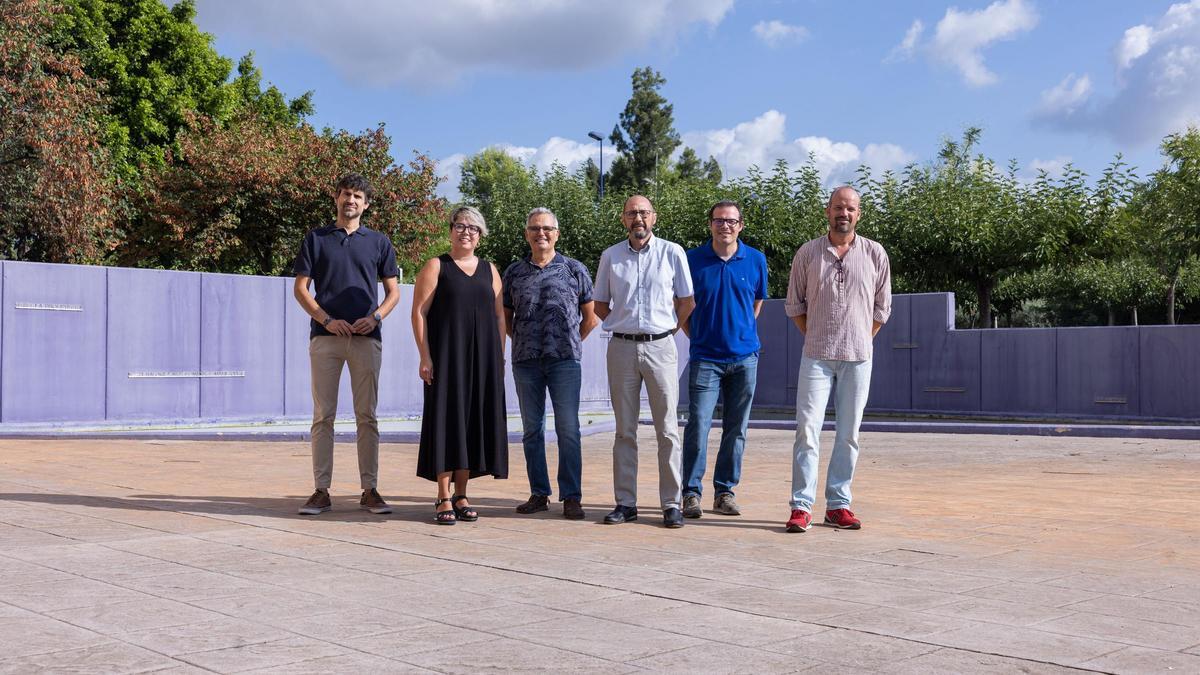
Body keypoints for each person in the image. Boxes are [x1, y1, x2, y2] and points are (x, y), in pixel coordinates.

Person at [784, 185, 891, 533]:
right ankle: (801, 507)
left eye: (850, 208)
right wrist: (817, 336)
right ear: (827, 211)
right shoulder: (807, 253)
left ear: (859, 214)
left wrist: (860, 338)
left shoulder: (875, 254)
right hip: (816, 356)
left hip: (858, 358)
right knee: (807, 431)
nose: (844, 213)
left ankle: (838, 505)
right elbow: (794, 305)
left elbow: (882, 308)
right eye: (838, 207)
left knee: (848, 433)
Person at [293, 173, 401, 516]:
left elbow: (394, 292)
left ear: (366, 204)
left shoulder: (379, 242)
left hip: (366, 339)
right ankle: (321, 490)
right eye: (345, 194)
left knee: (366, 416)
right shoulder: (316, 239)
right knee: (323, 416)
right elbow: (300, 289)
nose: (350, 200)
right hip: (325, 339)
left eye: (357, 196)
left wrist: (376, 317)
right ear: (336, 198)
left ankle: (370, 490)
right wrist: (326, 319)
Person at [593, 195, 695, 528]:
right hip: (621, 348)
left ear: (654, 217)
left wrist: (666, 331)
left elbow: (686, 301)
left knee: (668, 429)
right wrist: (623, 323)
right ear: (623, 219)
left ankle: (671, 504)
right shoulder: (610, 256)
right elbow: (599, 304)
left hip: (661, 347)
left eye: (643, 212)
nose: (638, 218)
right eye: (632, 213)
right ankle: (626, 503)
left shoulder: (672, 252)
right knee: (625, 430)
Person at [411, 206, 508, 525]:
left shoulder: (490, 270)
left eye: (473, 228)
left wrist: (499, 356)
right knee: (446, 422)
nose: (466, 232)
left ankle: (462, 494)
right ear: (451, 230)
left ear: (480, 235)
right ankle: (442, 495)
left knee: (470, 423)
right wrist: (425, 356)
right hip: (446, 358)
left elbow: (499, 316)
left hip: (483, 360)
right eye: (460, 226)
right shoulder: (436, 266)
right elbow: (419, 313)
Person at [503, 208, 599, 520]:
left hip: (565, 361)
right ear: (526, 234)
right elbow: (506, 318)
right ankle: (539, 493)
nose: (540, 233)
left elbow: (591, 317)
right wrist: (525, 339)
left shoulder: (574, 269)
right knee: (532, 429)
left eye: (546, 228)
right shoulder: (514, 272)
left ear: (556, 233)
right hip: (526, 361)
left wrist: (569, 341)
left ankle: (571, 496)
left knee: (568, 429)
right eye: (534, 228)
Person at [680, 200, 768, 519]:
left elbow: (756, 302)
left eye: (731, 221)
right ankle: (691, 493)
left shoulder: (756, 259)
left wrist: (739, 335)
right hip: (705, 358)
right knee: (698, 425)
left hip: (745, 359)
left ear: (740, 225)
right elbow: (682, 306)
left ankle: (725, 492)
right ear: (710, 224)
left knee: (736, 428)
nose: (725, 226)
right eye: (719, 220)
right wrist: (699, 336)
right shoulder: (692, 260)